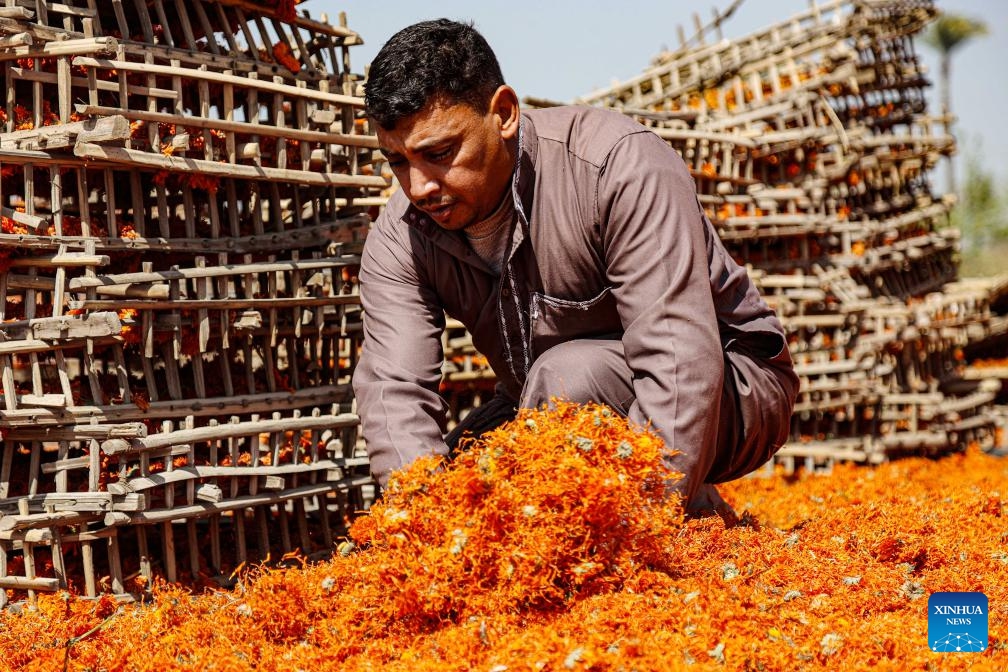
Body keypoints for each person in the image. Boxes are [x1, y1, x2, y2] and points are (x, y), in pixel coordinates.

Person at [352, 18, 799, 515]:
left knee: (570, 376)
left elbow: (678, 357)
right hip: (549, 404)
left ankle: (680, 515)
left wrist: (643, 524)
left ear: (503, 113)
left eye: (439, 154)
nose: (418, 187)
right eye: (396, 162)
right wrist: (429, 527)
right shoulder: (402, 234)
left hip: (730, 386)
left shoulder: (616, 166)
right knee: (467, 483)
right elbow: (394, 389)